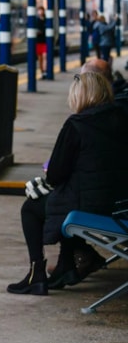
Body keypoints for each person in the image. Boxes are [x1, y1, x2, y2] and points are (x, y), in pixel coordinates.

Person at [7, 70, 128, 295]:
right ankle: (67, 265)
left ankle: (37, 274)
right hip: (119, 204)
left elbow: (55, 174)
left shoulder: (77, 124)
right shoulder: (121, 118)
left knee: (32, 208)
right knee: (65, 200)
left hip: (94, 206)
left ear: (81, 96)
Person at [34, 5, 47, 78]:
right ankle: (42, 72)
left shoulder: (46, 20)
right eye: (39, 10)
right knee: (40, 58)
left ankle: (44, 71)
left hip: (45, 41)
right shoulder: (36, 20)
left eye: (41, 10)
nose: (40, 12)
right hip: (38, 41)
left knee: (45, 56)